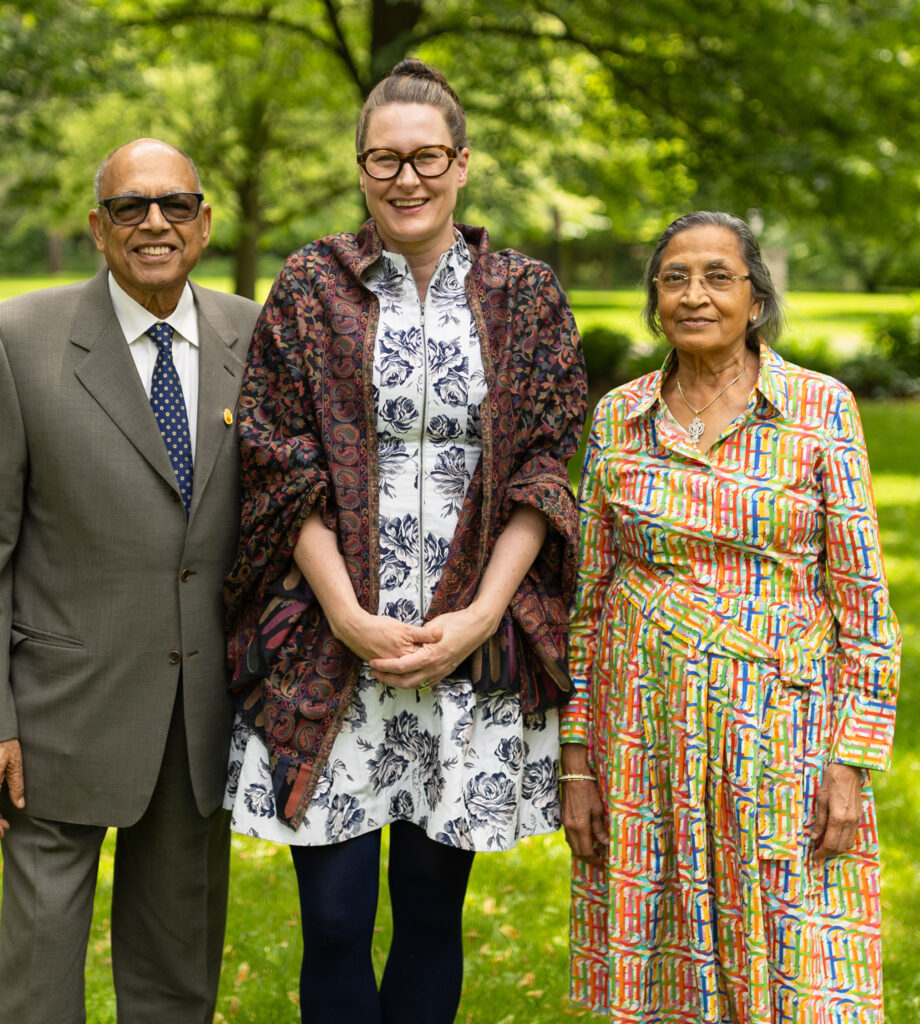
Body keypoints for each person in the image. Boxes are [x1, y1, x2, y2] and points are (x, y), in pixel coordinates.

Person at [222, 59, 586, 1023]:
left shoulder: (525, 294)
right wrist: (346, 615)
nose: (406, 178)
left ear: (463, 164)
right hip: (332, 643)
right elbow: (275, 458)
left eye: (427, 157)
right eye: (384, 159)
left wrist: (478, 618)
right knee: (335, 922)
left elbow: (547, 467)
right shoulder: (307, 285)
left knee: (431, 915)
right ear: (360, 169)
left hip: (464, 644)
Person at [0, 138, 261, 1024]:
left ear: (204, 222)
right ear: (97, 226)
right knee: (40, 978)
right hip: (55, 713)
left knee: (175, 976)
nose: (153, 223)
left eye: (174, 205)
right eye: (130, 207)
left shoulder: (252, 334)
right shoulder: (15, 341)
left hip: (197, 715)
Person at [562, 210, 901, 1023]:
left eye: (718, 276)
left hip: (784, 734)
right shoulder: (619, 417)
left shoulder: (820, 410)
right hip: (644, 738)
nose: (694, 294)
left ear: (756, 300)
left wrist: (852, 761)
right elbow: (588, 600)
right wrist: (576, 760)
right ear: (654, 299)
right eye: (674, 277)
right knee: (663, 958)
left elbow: (865, 603)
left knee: (794, 954)